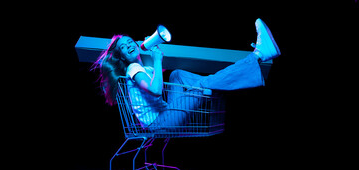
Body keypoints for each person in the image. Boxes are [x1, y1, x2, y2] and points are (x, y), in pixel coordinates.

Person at [93, 18, 280, 129]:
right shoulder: (133, 69)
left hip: (166, 115)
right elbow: (156, 91)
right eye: (123, 48)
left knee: (177, 75)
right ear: (123, 57)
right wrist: (157, 60)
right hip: (160, 123)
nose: (128, 46)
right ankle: (259, 54)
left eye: (129, 42)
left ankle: (218, 82)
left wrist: (152, 50)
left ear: (136, 44)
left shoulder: (144, 68)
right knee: (203, 85)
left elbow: (159, 81)